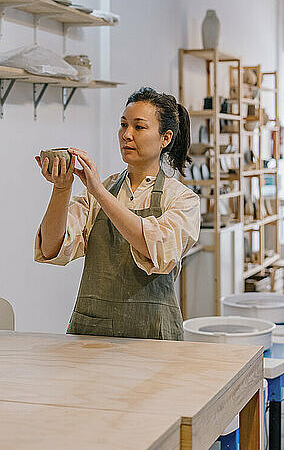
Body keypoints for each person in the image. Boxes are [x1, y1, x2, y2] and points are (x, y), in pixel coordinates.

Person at [34, 87, 200, 340]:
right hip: (93, 334)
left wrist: (100, 193)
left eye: (139, 127)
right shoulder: (99, 191)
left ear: (165, 138)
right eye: (123, 125)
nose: (126, 135)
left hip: (153, 335)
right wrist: (62, 188)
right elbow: (50, 248)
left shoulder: (181, 198)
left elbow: (155, 248)